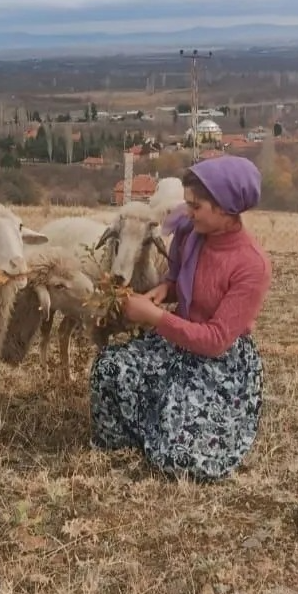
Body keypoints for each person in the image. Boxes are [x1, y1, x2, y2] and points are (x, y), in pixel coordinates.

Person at [89, 155, 272, 481]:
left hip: (218, 361)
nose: (187, 212)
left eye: (196, 206)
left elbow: (215, 340)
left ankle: (170, 426)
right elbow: (183, 281)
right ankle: (145, 433)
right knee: (110, 369)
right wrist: (165, 290)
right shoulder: (191, 235)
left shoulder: (251, 265)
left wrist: (155, 317)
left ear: (226, 208)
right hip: (177, 343)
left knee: (186, 457)